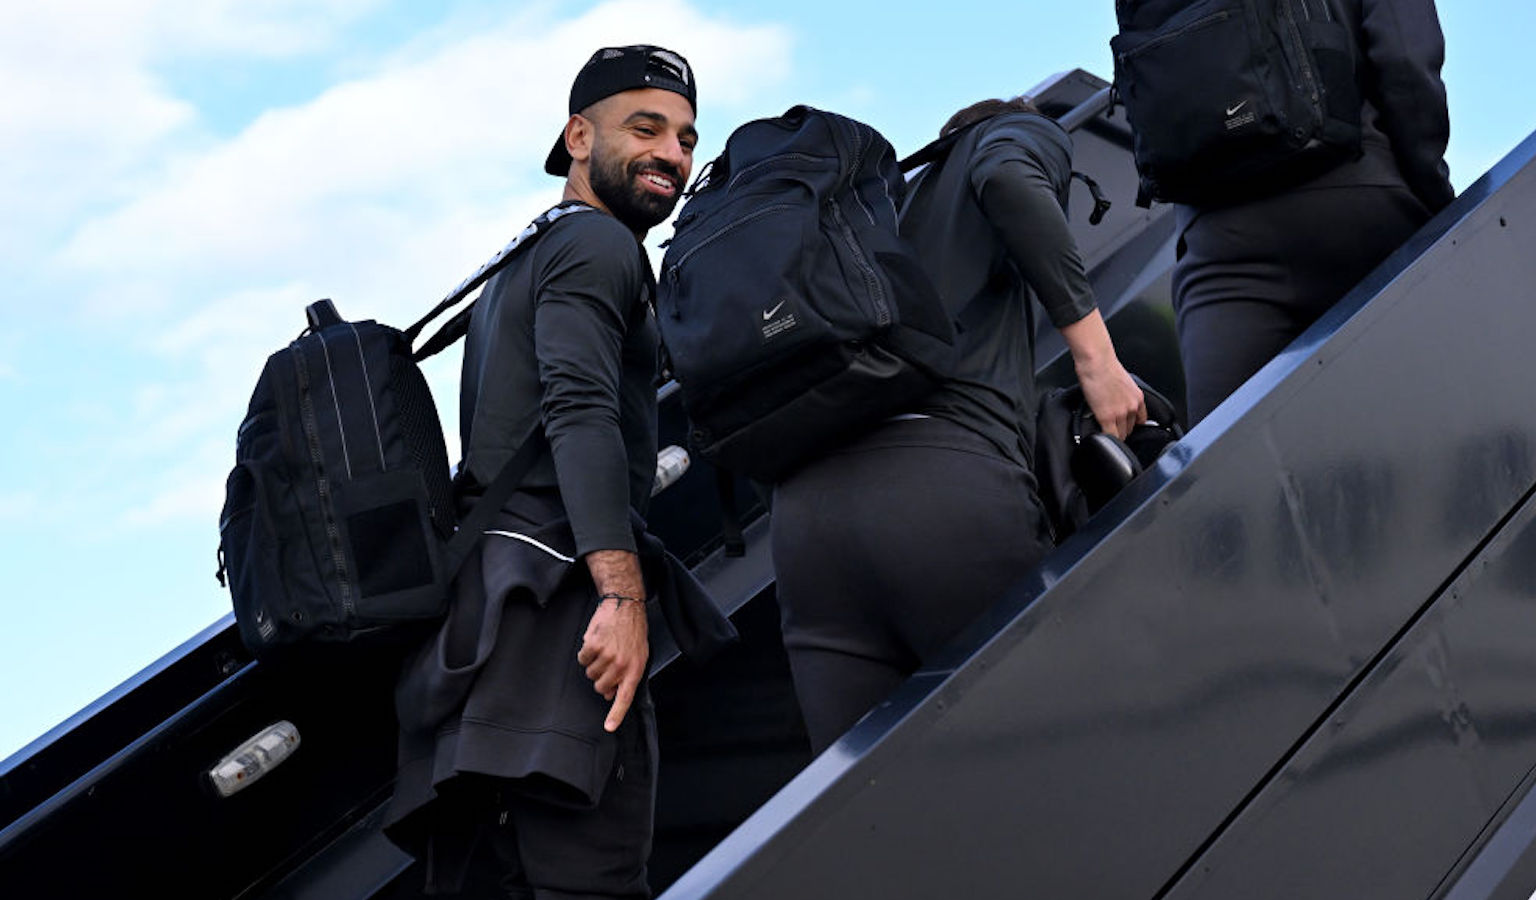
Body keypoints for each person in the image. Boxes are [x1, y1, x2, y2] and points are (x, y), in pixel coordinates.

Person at [383, 45, 729, 899]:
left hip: (479, 628)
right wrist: (621, 595)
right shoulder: (600, 247)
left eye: (686, 139)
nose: (673, 156)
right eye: (644, 128)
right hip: (558, 616)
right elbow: (579, 413)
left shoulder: (523, 257)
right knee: (596, 880)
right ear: (579, 136)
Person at [769, 98, 1146, 755]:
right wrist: (1099, 359)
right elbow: (1006, 177)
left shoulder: (874, 222)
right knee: (1071, 755)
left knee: (873, 812)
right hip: (936, 487)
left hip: (804, 529)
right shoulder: (1011, 131)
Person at [1171, 0, 1454, 424]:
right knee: (1429, 430)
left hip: (1219, 242)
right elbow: (1407, 56)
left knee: (1225, 475)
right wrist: (1435, 196)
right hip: (1357, 195)